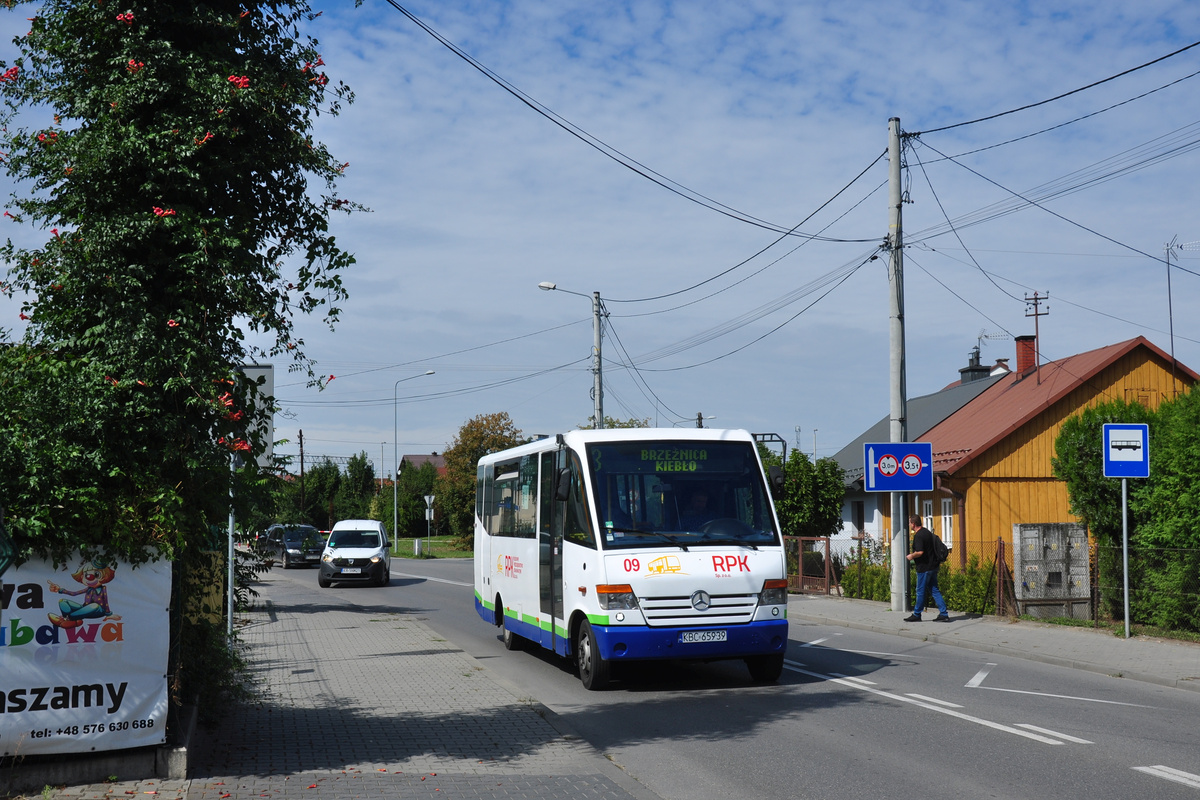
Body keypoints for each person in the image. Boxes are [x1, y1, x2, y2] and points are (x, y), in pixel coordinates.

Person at [904, 514, 950, 622]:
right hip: (933, 566)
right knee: (934, 590)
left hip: (924, 568)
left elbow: (920, 552)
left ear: (913, 524)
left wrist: (911, 556)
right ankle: (944, 613)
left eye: (910, 522)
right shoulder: (927, 532)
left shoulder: (919, 536)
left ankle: (917, 614)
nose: (909, 524)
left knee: (920, 591)